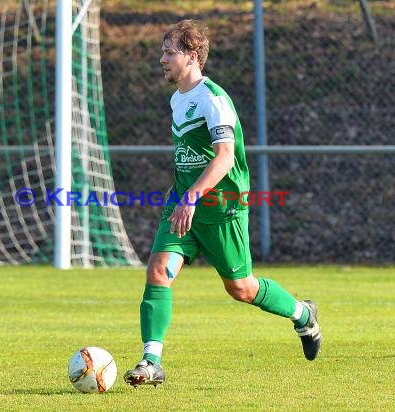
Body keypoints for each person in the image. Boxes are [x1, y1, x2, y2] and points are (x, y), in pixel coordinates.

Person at [123, 19, 322, 387]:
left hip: (222, 207)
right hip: (182, 205)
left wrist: (194, 197)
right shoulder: (177, 98)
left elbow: (225, 157)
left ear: (193, 56)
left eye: (169, 52)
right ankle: (151, 361)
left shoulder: (214, 99)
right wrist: (185, 199)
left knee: (241, 288)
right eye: (163, 52)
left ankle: (302, 314)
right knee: (157, 271)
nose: (162, 59)